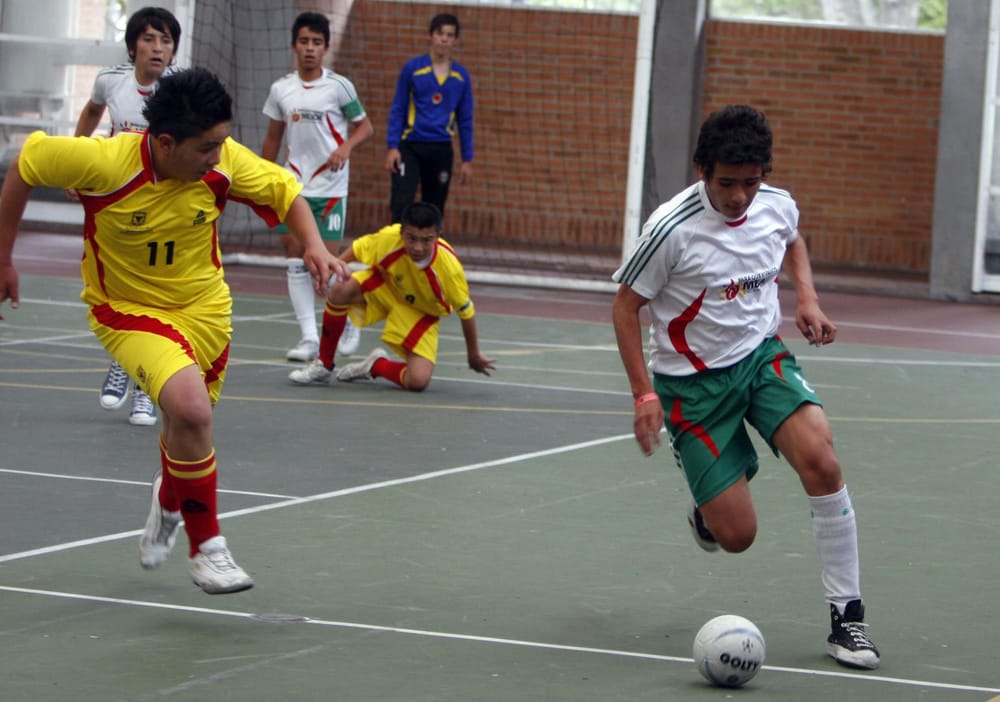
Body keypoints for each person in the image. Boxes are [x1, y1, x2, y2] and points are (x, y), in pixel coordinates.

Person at [0, 68, 349, 594]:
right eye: (207, 146)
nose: (219, 154)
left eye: (222, 142)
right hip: (127, 308)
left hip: (206, 311)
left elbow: (284, 192)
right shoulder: (103, 162)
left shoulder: (222, 162)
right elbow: (27, 161)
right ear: (165, 142)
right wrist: (4, 257)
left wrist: (315, 246)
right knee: (190, 410)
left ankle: (170, 502)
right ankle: (208, 548)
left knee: (185, 429)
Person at [611, 105, 880, 670]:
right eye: (726, 183)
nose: (739, 196)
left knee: (824, 463)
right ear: (702, 170)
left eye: (750, 182)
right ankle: (707, 511)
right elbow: (625, 306)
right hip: (692, 388)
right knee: (737, 536)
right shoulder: (670, 229)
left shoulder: (775, 204)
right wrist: (644, 394)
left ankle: (847, 619)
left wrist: (806, 297)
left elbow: (792, 240)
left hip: (761, 359)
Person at [72, 6, 184, 427]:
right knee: (120, 291)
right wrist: (77, 159)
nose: (158, 48)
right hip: (119, 203)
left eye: (166, 41)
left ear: (174, 51)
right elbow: (90, 112)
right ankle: (125, 359)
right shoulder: (111, 81)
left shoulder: (180, 90)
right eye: (150, 39)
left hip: (167, 205)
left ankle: (146, 389)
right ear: (133, 44)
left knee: (155, 292)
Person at [262, 11, 374, 363]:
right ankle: (309, 338)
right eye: (304, 41)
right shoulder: (281, 89)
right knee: (295, 259)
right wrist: (263, 180)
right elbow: (273, 138)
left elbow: (365, 127)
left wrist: (345, 148)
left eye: (317, 43)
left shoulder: (338, 87)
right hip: (293, 187)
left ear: (325, 48)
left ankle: (354, 310)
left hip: (329, 188)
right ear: (294, 45)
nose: (310, 49)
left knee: (326, 262)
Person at [287, 201, 495, 390]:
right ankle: (324, 364)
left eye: (426, 240)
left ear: (438, 236)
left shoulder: (449, 270)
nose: (417, 247)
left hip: (422, 311)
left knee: (418, 382)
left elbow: (466, 312)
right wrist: (332, 269)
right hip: (387, 287)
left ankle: (375, 365)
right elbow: (359, 248)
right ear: (402, 232)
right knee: (340, 290)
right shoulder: (390, 238)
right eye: (411, 238)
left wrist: (473, 354)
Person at [385, 13, 473, 224]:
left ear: (455, 40)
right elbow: (398, 108)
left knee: (434, 208)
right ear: (431, 36)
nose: (444, 39)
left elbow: (466, 119)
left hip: (441, 148)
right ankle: (395, 253)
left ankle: (428, 255)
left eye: (450, 35)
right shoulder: (413, 69)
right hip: (411, 146)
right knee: (401, 202)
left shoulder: (461, 76)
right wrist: (392, 147)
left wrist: (467, 159)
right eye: (440, 33)